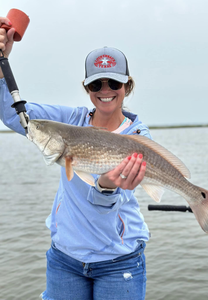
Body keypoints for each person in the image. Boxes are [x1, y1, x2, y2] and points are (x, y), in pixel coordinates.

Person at [0, 18, 152, 300]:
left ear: (127, 85)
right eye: (96, 84)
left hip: (119, 262)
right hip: (64, 260)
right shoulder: (70, 120)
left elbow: (105, 203)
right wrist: (1, 63)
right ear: (86, 88)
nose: (105, 90)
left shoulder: (138, 136)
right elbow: (15, 115)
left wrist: (106, 188)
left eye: (114, 82)